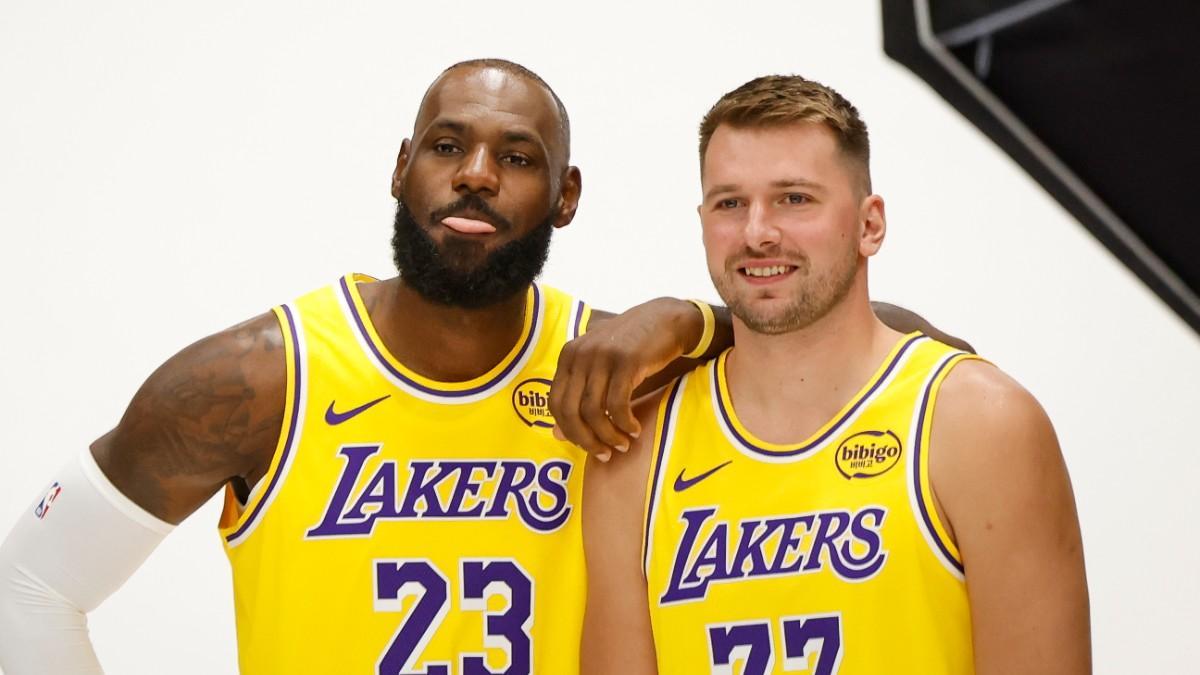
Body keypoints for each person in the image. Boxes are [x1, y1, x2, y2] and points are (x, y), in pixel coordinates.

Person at [0, 59, 956, 674]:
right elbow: (29, 589)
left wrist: (692, 320)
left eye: (519, 156)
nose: (476, 175)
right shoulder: (258, 380)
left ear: (567, 195)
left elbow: (910, 351)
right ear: (402, 166)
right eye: (449, 146)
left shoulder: (619, 370)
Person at [580, 75, 1091, 674]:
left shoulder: (980, 425)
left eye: (794, 198)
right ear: (702, 222)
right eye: (730, 203)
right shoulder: (637, 455)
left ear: (870, 224)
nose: (757, 232)